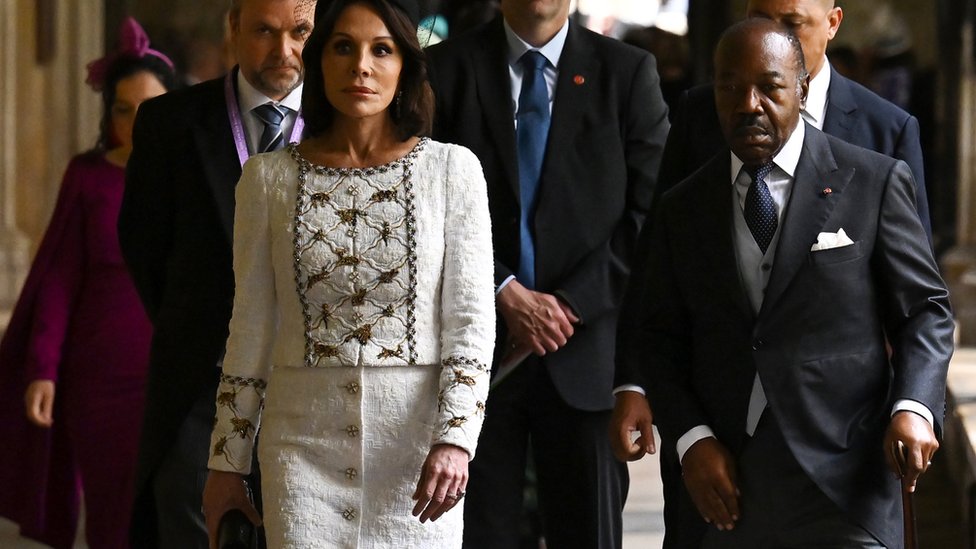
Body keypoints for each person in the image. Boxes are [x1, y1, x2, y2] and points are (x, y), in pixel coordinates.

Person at [610, 0, 934, 544]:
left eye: (770, 88)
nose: (749, 106)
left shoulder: (877, 174)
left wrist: (915, 406)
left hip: (843, 474)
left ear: (802, 90)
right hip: (720, 478)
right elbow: (657, 325)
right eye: (730, 89)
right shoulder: (682, 205)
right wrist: (690, 437)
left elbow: (922, 307)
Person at [200, 0, 495, 547]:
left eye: (381, 50)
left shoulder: (453, 171)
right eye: (343, 47)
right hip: (299, 454)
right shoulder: (266, 181)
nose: (361, 65)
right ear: (319, 61)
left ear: (404, 66)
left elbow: (472, 323)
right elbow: (250, 329)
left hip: (416, 460)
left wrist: (456, 439)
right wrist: (227, 463)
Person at [426, 0, 670, 546]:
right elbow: (422, 207)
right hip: (475, 359)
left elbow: (651, 217)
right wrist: (502, 289)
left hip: (585, 357)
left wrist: (571, 304)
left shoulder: (627, 73)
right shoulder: (444, 71)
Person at [118, 0, 315, 546]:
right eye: (264, 32)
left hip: (312, 389)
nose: (283, 51)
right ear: (232, 28)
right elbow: (144, 247)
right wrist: (208, 329)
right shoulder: (170, 123)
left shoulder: (350, 123)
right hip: (198, 386)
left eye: (300, 32)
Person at [0, 18, 175, 549]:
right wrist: (42, 371)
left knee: (177, 513)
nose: (137, 122)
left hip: (175, 376)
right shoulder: (87, 175)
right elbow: (57, 278)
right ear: (109, 113)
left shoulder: (193, 176)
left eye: (151, 109)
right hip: (97, 380)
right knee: (111, 519)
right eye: (124, 109)